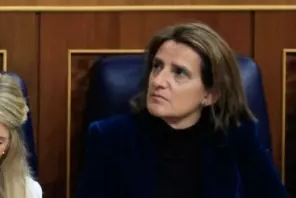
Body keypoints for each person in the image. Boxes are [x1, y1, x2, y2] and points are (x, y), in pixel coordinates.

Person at [77, 22, 287, 198]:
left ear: (210, 94)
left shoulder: (237, 136)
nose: (158, 81)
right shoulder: (109, 138)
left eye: (179, 73)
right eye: (157, 66)